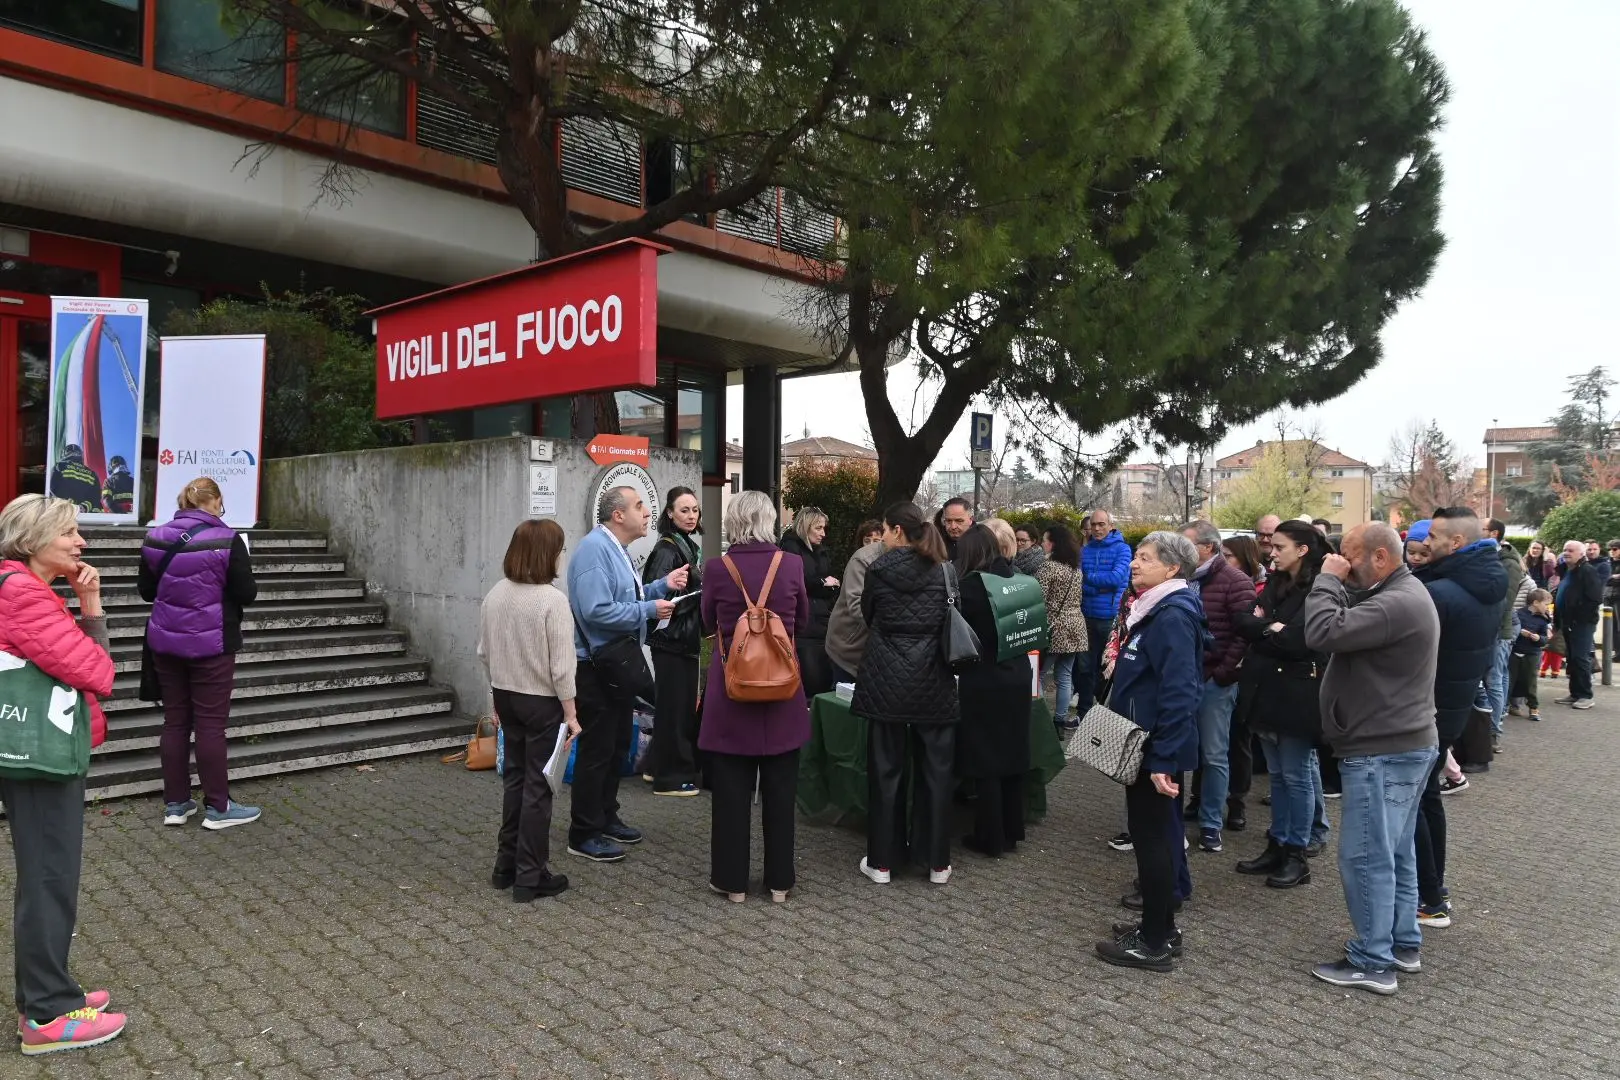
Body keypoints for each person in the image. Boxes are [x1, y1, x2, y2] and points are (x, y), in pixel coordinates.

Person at [0, 494, 127, 1054]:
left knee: (44, 876)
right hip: (42, 757)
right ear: (32, 540)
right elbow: (98, 671)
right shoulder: (24, 594)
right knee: (50, 879)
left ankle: (46, 994)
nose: (81, 543)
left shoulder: (23, 587)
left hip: (34, 752)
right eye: (70, 532)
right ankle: (47, 1017)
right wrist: (93, 611)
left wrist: (85, 599)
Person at [1302, 522, 1439, 996]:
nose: (1342, 563)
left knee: (1365, 857)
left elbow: (1321, 631)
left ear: (1380, 558)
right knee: (1394, 851)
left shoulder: (1397, 601)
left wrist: (1326, 580)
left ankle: (1372, 961)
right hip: (1400, 742)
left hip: (1382, 749)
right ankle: (1401, 944)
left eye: (1349, 556)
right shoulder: (1402, 592)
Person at [1096, 531, 1205, 972]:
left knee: (1155, 842)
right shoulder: (1154, 608)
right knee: (1149, 838)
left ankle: (1155, 943)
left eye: (1145, 558)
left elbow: (1182, 692)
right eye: (1136, 556)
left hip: (1154, 749)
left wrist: (1163, 759)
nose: (1135, 564)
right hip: (1142, 742)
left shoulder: (1173, 615)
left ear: (1173, 568)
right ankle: (1158, 925)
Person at [699, 491, 811, 903]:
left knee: (730, 793)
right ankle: (779, 882)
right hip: (782, 689)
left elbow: (708, 622)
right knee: (782, 792)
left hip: (733, 689)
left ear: (734, 522)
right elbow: (802, 619)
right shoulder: (793, 564)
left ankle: (732, 883)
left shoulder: (717, 568)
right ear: (768, 521)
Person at [566, 486, 688, 863]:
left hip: (612, 664)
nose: (648, 512)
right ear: (618, 515)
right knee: (598, 749)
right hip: (595, 667)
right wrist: (650, 609)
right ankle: (583, 832)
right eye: (639, 506)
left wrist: (659, 587)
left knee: (617, 743)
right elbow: (596, 610)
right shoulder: (593, 550)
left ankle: (605, 816)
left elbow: (624, 598)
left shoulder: (615, 549)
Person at [137, 477, 260, 829]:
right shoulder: (227, 539)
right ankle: (219, 809)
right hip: (212, 644)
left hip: (166, 643)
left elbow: (146, 590)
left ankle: (176, 805)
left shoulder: (156, 537)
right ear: (216, 500)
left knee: (175, 721)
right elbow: (246, 592)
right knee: (210, 724)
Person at [850, 502, 958, 885]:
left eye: (884, 528)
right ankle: (936, 863)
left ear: (897, 531)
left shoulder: (879, 569)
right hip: (934, 677)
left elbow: (869, 614)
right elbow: (952, 615)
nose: (881, 535)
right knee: (937, 771)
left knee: (885, 770)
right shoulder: (945, 569)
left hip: (886, 676)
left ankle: (882, 862)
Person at [1411, 507, 1506, 926]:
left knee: (1412, 803)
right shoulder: (1481, 582)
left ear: (1457, 543)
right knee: (1426, 798)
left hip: (1426, 709)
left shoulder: (1443, 592)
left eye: (1432, 536)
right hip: (1448, 708)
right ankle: (1434, 892)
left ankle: (1429, 898)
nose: (1424, 543)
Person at [479, 519, 581, 901]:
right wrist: (571, 714)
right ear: (548, 554)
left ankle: (504, 866)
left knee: (515, 781)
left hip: (506, 694)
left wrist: (495, 701)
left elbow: (484, 653)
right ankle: (530, 875)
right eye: (559, 549)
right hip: (541, 701)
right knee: (540, 787)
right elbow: (562, 667)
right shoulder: (552, 601)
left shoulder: (495, 594)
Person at [1233, 520, 1329, 888]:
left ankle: (1296, 854)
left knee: (1297, 776)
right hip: (1266, 689)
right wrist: (1270, 629)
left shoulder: (1321, 587)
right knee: (1279, 776)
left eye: (1280, 547)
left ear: (1303, 550)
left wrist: (1268, 628)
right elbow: (1244, 621)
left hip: (1297, 696)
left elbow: (1303, 642)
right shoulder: (1275, 581)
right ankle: (1277, 843)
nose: (1271, 553)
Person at [953, 525, 1034, 858]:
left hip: (983, 678)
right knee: (1012, 754)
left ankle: (990, 836)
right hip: (1018, 675)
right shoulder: (1022, 582)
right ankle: (1013, 830)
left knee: (986, 758)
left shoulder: (970, 588)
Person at [1182, 520, 1258, 852]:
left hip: (1214, 680)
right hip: (1183, 679)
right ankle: (1193, 809)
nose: (1180, 551)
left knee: (1214, 755)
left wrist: (1223, 674)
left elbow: (1244, 634)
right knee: (1185, 751)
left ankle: (1212, 824)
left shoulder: (1236, 581)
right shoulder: (1182, 578)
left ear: (1208, 548)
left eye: (1187, 545)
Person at [641, 487, 704, 796]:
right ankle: (672, 777)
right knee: (676, 710)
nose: (691, 516)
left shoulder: (685, 546)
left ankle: (655, 766)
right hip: (672, 641)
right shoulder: (668, 549)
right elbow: (660, 596)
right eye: (684, 510)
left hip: (678, 640)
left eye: (694, 510)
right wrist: (701, 596)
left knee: (672, 707)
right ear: (669, 513)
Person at [779, 507, 839, 701]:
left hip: (821, 620)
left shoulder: (820, 551)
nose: (823, 533)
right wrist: (822, 583)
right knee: (808, 676)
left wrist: (824, 585)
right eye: (818, 528)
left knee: (820, 677)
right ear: (806, 527)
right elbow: (796, 582)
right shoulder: (790, 548)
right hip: (803, 624)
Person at [1077, 509, 1132, 711]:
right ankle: (1083, 713)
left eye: (1102, 524)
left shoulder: (1123, 549)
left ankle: (1103, 715)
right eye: (1094, 525)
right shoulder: (1085, 551)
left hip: (1110, 618)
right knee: (1084, 669)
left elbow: (1116, 579)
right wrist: (1099, 585)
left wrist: (1088, 579)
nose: (1097, 528)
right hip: (1087, 616)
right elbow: (1079, 582)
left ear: (1111, 526)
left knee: (1107, 668)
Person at [1476, 519, 1524, 750]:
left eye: (1481, 529)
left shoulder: (1508, 563)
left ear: (1493, 533)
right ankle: (1495, 721)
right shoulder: (1488, 556)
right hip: (1492, 626)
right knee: (1498, 677)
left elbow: (1504, 601)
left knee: (1494, 679)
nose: (1477, 532)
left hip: (1499, 627)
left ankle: (1494, 731)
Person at [1036, 525, 1087, 727]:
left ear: (1053, 544)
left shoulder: (1048, 568)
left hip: (1054, 627)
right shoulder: (1075, 569)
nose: (1042, 543)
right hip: (1076, 625)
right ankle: (1060, 719)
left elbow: (1038, 597)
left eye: (1045, 540)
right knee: (1065, 675)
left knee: (1039, 675)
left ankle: (1040, 720)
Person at [825, 533, 885, 687]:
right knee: (843, 704)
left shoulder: (920, 557)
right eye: (867, 539)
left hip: (881, 656)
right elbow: (857, 606)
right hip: (849, 652)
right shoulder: (862, 559)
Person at [1554, 538, 1602, 710]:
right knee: (1572, 658)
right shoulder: (1569, 570)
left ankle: (1585, 695)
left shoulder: (1587, 571)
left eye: (1571, 550)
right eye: (1565, 549)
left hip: (1581, 623)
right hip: (1568, 621)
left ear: (1581, 554)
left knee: (1580, 658)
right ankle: (1575, 693)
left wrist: (1578, 619)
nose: (1566, 553)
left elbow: (1595, 598)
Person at [1508, 589, 1552, 722]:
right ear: (1536, 602)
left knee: (1531, 682)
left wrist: (1538, 638)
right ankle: (1507, 705)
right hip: (1515, 651)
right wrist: (1519, 631)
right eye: (1546, 604)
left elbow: (1545, 639)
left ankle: (1533, 707)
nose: (1547, 607)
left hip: (1532, 653)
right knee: (1510, 680)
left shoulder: (1544, 619)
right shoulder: (1518, 613)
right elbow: (1511, 628)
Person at [46, 445, 100, 512]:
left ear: (64, 454)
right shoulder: (92, 473)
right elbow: (96, 496)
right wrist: (84, 507)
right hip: (82, 514)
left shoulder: (59, 466)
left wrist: (65, 503)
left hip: (61, 510)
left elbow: (51, 487)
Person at [1606, 540, 1620, 662]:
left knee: (1618, 625)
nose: (1611, 552)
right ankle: (1616, 651)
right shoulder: (1607, 563)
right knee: (1611, 626)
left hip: (1618, 597)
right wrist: (1613, 577)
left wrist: (1610, 578)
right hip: (1608, 596)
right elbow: (1604, 579)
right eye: (1610, 549)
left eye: (1614, 549)